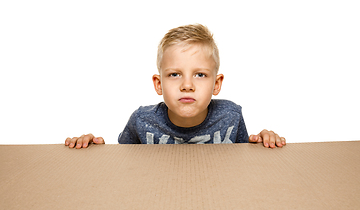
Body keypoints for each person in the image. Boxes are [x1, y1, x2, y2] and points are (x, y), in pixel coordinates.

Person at [65, 24, 286, 148]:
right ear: (158, 84)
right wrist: (91, 147)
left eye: (200, 74)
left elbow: (245, 162)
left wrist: (264, 140)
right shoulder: (142, 121)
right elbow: (122, 164)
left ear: (216, 84)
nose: (187, 85)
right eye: (174, 74)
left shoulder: (231, 116)